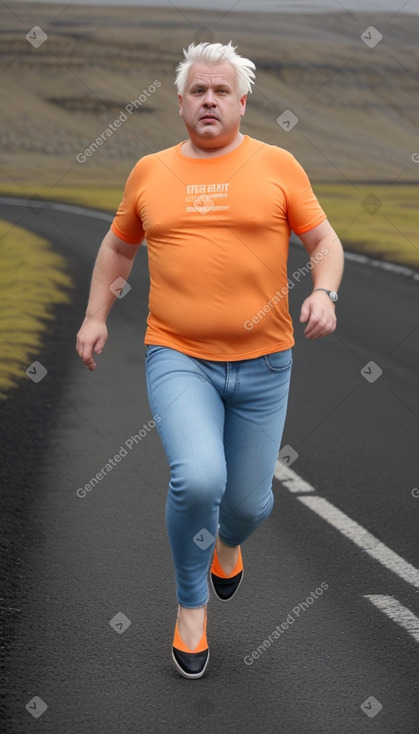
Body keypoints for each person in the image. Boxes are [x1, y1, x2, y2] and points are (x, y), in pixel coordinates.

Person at [76, 41, 344, 679]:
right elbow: (118, 251)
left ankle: (229, 547)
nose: (209, 101)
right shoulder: (150, 172)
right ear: (180, 102)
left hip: (265, 364)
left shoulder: (278, 165)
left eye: (222, 92)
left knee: (248, 505)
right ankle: (191, 606)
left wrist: (325, 292)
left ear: (242, 103)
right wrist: (94, 316)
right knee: (198, 478)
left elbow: (324, 241)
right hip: (179, 356)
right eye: (198, 91)